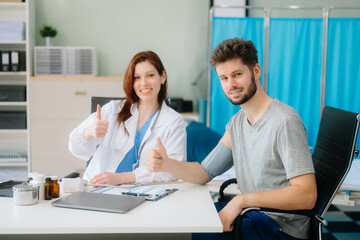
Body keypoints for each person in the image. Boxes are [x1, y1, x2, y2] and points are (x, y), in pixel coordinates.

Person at [146, 38, 317, 240]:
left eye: (237, 75)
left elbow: (307, 195)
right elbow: (204, 172)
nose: (231, 84)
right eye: (224, 78)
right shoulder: (237, 122)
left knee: (204, 231)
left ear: (256, 71)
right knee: (192, 217)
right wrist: (166, 164)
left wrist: (240, 201)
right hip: (253, 213)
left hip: (281, 226)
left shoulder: (284, 122)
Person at [69, 51, 187, 185]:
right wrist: (88, 132)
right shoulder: (113, 110)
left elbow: (173, 172)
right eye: (137, 77)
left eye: (150, 75)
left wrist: (122, 178)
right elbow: (76, 148)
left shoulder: (174, 122)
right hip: (97, 189)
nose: (144, 83)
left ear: (162, 77)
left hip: (142, 195)